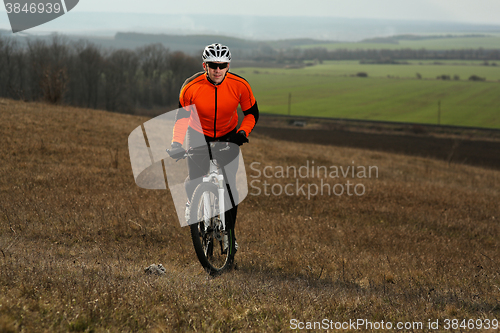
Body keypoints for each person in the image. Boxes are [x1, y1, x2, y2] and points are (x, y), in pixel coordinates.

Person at [168, 43, 259, 253]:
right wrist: (176, 143)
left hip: (229, 135)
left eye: (222, 65)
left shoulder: (240, 85)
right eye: (213, 65)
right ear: (204, 65)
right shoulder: (191, 87)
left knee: (230, 189)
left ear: (228, 66)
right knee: (195, 180)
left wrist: (243, 133)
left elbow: (252, 113)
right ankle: (194, 203)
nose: (218, 69)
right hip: (198, 134)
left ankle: (229, 235)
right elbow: (182, 118)